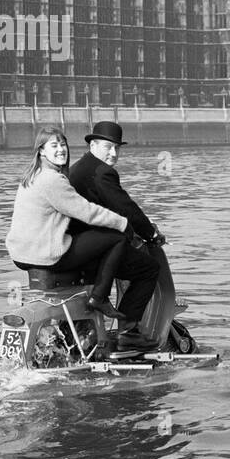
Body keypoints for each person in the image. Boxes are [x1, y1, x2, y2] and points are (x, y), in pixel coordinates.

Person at [5, 126, 133, 320]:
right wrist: (123, 223)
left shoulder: (32, 176)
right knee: (117, 238)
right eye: (54, 145)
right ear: (41, 150)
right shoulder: (52, 180)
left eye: (63, 144)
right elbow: (87, 212)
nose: (61, 150)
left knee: (90, 242)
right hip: (45, 255)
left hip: (21, 254)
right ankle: (99, 298)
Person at [68, 121, 161, 350]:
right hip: (95, 248)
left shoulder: (78, 169)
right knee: (148, 268)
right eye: (108, 147)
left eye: (117, 148)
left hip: (77, 245)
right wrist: (151, 233)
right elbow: (125, 208)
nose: (113, 153)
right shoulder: (102, 172)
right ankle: (128, 332)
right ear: (93, 145)